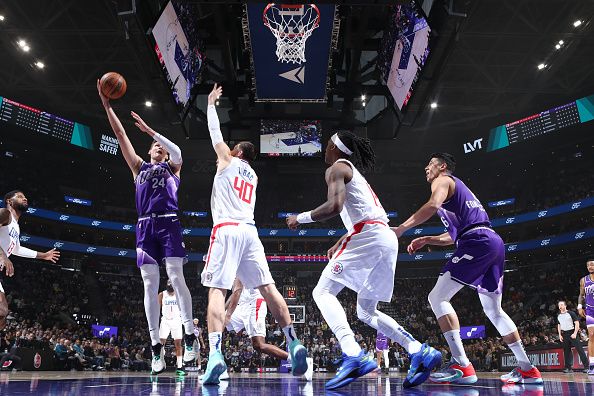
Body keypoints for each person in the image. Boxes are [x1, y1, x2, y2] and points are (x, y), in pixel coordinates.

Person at [286, 131, 441, 390]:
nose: (324, 150)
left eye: (327, 145)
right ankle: (418, 349)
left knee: (322, 291)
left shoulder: (336, 167)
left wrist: (298, 218)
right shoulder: (353, 173)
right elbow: (359, 213)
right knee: (365, 311)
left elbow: (334, 206)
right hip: (384, 237)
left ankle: (353, 353)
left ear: (335, 147)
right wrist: (340, 241)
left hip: (369, 235)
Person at [395, 152, 542, 385]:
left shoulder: (442, 180)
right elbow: (455, 235)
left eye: (430, 164)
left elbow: (432, 205)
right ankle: (528, 370)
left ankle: (462, 365)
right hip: (491, 241)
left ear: (442, 167)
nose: (426, 168)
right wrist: (427, 239)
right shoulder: (460, 192)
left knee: (437, 297)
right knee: (494, 311)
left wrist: (402, 228)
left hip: (478, 242)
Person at [201, 84, 307, 385]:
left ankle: (215, 356)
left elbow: (214, 134)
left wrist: (211, 104)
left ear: (238, 152)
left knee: (216, 291)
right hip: (250, 232)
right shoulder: (254, 175)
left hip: (226, 229)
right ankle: (294, 341)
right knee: (268, 288)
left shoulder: (228, 159)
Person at [97, 80, 196, 374]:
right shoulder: (138, 167)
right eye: (153, 146)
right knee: (150, 285)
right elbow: (119, 133)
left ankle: (189, 336)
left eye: (159, 146)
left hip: (169, 224)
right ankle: (156, 347)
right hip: (144, 227)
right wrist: (106, 106)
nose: (156, 148)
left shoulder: (173, 167)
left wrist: (152, 132)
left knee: (176, 277)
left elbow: (177, 150)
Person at [216, 278, 313, 381]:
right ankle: (218, 367)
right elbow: (235, 292)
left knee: (259, 345)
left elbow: (237, 290)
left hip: (254, 303)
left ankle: (301, 361)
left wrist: (228, 314)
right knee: (218, 320)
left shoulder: (239, 264)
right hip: (241, 304)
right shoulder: (231, 269)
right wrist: (223, 310)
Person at [0, 190, 60, 329]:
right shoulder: (5, 213)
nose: (25, 198)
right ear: (9, 201)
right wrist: (3, 256)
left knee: (3, 313)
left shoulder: (16, 226)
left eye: (25, 196)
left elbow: (16, 249)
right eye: (20, 197)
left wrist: (43, 255)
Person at [159, 280, 186, 376]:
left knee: (178, 344)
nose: (170, 284)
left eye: (172, 282)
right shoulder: (162, 294)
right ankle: (157, 365)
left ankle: (179, 367)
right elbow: (156, 308)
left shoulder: (179, 294)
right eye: (168, 282)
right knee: (160, 343)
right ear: (166, 284)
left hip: (177, 320)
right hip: (165, 320)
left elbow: (184, 307)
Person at [557, 301, 588, 373]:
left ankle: (587, 366)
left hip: (572, 333)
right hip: (564, 334)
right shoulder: (559, 315)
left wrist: (575, 333)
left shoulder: (571, 313)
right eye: (559, 305)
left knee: (580, 349)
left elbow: (577, 323)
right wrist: (560, 335)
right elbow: (559, 325)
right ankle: (568, 368)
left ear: (565, 306)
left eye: (561, 305)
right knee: (566, 351)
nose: (560, 306)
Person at [578, 259, 594, 375]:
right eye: (588, 265)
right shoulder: (584, 280)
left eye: (592, 264)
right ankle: (592, 365)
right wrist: (579, 306)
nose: (590, 266)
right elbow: (581, 294)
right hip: (590, 310)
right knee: (592, 336)